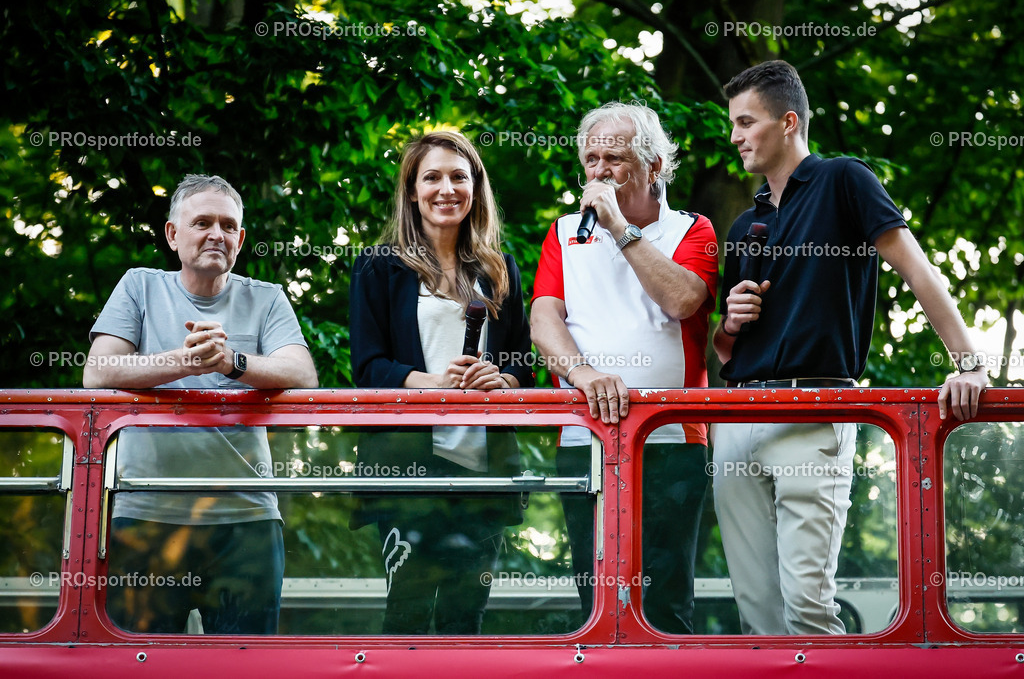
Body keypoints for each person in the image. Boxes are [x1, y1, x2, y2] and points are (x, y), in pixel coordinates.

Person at [712, 60, 988, 635]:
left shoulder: (844, 180)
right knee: (756, 612)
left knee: (808, 607)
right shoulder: (744, 226)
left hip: (814, 409)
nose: (734, 136)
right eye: (732, 124)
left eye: (745, 122)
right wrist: (730, 325)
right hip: (738, 415)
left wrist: (970, 365)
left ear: (788, 122)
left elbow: (919, 273)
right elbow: (721, 352)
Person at [84, 174, 318, 634]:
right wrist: (184, 361)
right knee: (139, 664)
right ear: (173, 234)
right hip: (147, 512)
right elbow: (98, 371)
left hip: (246, 516)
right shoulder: (140, 286)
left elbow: (302, 374)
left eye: (229, 226)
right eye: (203, 222)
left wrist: (231, 363)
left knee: (247, 666)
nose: (217, 234)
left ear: (241, 239)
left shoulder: (266, 297)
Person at [531, 102, 718, 633]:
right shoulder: (564, 232)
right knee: (592, 602)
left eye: (614, 157)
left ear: (655, 166)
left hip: (671, 442)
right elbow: (544, 320)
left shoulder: (692, 229)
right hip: (583, 438)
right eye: (591, 159)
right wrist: (585, 376)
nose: (599, 171)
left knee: (663, 600)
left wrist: (620, 229)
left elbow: (684, 301)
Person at [349, 131, 533, 634]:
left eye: (459, 175)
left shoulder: (500, 271)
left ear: (476, 186)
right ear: (412, 191)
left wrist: (503, 380)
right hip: (407, 473)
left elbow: (525, 368)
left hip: (483, 476)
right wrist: (433, 384)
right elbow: (366, 368)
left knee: (464, 620)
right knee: (406, 614)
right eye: (431, 177)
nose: (446, 188)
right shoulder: (378, 268)